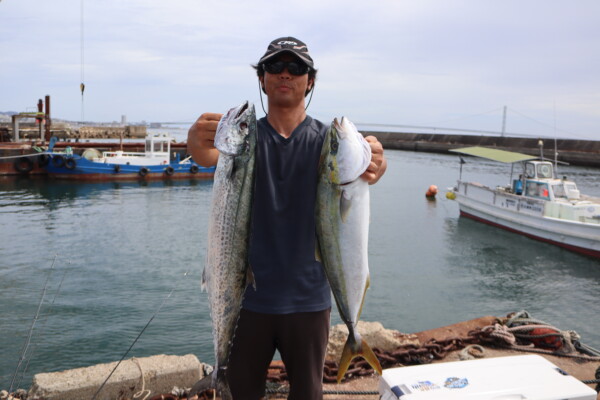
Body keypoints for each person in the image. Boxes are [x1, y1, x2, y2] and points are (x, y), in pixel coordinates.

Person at [187, 37, 387, 400]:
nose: (285, 74)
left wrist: (374, 159)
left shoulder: (330, 141)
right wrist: (196, 138)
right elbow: (206, 155)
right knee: (243, 392)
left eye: (296, 68)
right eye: (275, 67)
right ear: (261, 79)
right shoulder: (245, 139)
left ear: (310, 81)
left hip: (309, 300)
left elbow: (365, 171)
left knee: (308, 394)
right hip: (246, 300)